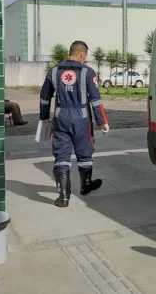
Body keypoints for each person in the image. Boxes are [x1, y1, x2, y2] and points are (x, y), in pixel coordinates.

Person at [38, 40, 110, 207]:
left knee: (61, 155)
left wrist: (44, 117)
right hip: (82, 119)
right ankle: (86, 185)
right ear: (82, 54)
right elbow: (95, 100)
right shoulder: (88, 72)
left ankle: (63, 197)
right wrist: (102, 122)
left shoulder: (54, 71)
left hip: (61, 118)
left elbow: (44, 97)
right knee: (84, 152)